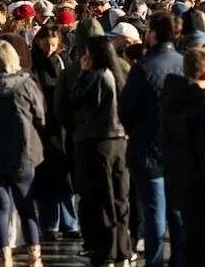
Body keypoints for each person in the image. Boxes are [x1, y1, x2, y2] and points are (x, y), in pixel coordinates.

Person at [119, 11, 184, 267]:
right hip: (178, 150)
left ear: (154, 34)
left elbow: (125, 109)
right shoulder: (183, 63)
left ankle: (155, 261)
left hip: (147, 148)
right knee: (176, 213)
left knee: (154, 212)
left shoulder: (143, 68)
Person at [0, 40, 45, 267]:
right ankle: (34, 255)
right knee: (26, 206)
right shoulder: (26, 84)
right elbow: (40, 116)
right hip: (24, 153)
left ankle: (4, 254)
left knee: (0, 206)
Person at [159, 48, 205, 267]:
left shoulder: (170, 100)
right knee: (198, 250)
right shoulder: (204, 111)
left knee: (183, 245)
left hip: (175, 182)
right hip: (200, 193)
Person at [70, 36, 131, 267]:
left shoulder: (96, 76)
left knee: (101, 197)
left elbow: (76, 99)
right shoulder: (118, 74)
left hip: (98, 141)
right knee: (119, 197)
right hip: (119, 140)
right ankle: (121, 249)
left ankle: (106, 250)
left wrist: (83, 73)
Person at [31, 25, 79, 240]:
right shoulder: (35, 63)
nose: (49, 48)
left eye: (52, 44)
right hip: (43, 128)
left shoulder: (63, 62)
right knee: (47, 177)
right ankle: (50, 224)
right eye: (45, 44)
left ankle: (69, 223)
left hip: (61, 127)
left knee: (64, 176)